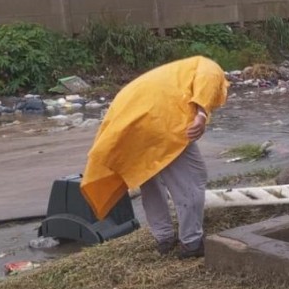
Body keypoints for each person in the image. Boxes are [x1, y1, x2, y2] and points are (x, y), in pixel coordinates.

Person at [81, 56, 229, 258]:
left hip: (129, 123)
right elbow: (207, 82)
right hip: (162, 121)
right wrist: (201, 115)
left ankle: (164, 238)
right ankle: (192, 243)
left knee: (149, 179)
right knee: (191, 181)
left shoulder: (177, 71)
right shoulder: (211, 67)